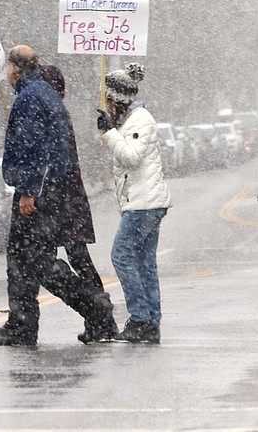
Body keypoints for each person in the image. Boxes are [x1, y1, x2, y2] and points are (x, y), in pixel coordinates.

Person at [0, 45, 117, 347]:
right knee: (28, 261)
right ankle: (23, 324)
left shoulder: (31, 98)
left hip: (40, 192)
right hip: (53, 190)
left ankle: (92, 308)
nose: (6, 71)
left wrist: (29, 191)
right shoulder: (43, 94)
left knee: (31, 260)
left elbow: (35, 148)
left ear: (16, 69)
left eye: (8, 65)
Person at [97, 63, 172, 344]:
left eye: (109, 100)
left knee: (122, 256)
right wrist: (112, 130)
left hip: (143, 203)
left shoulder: (140, 120)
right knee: (144, 262)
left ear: (119, 99)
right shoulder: (131, 120)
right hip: (144, 201)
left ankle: (141, 318)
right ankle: (150, 321)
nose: (107, 105)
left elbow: (131, 157)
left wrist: (109, 133)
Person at [40, 64, 114, 344]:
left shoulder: (52, 115)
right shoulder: (57, 113)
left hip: (62, 201)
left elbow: (53, 161)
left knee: (64, 260)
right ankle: (99, 317)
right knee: (79, 258)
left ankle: (98, 313)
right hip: (69, 200)